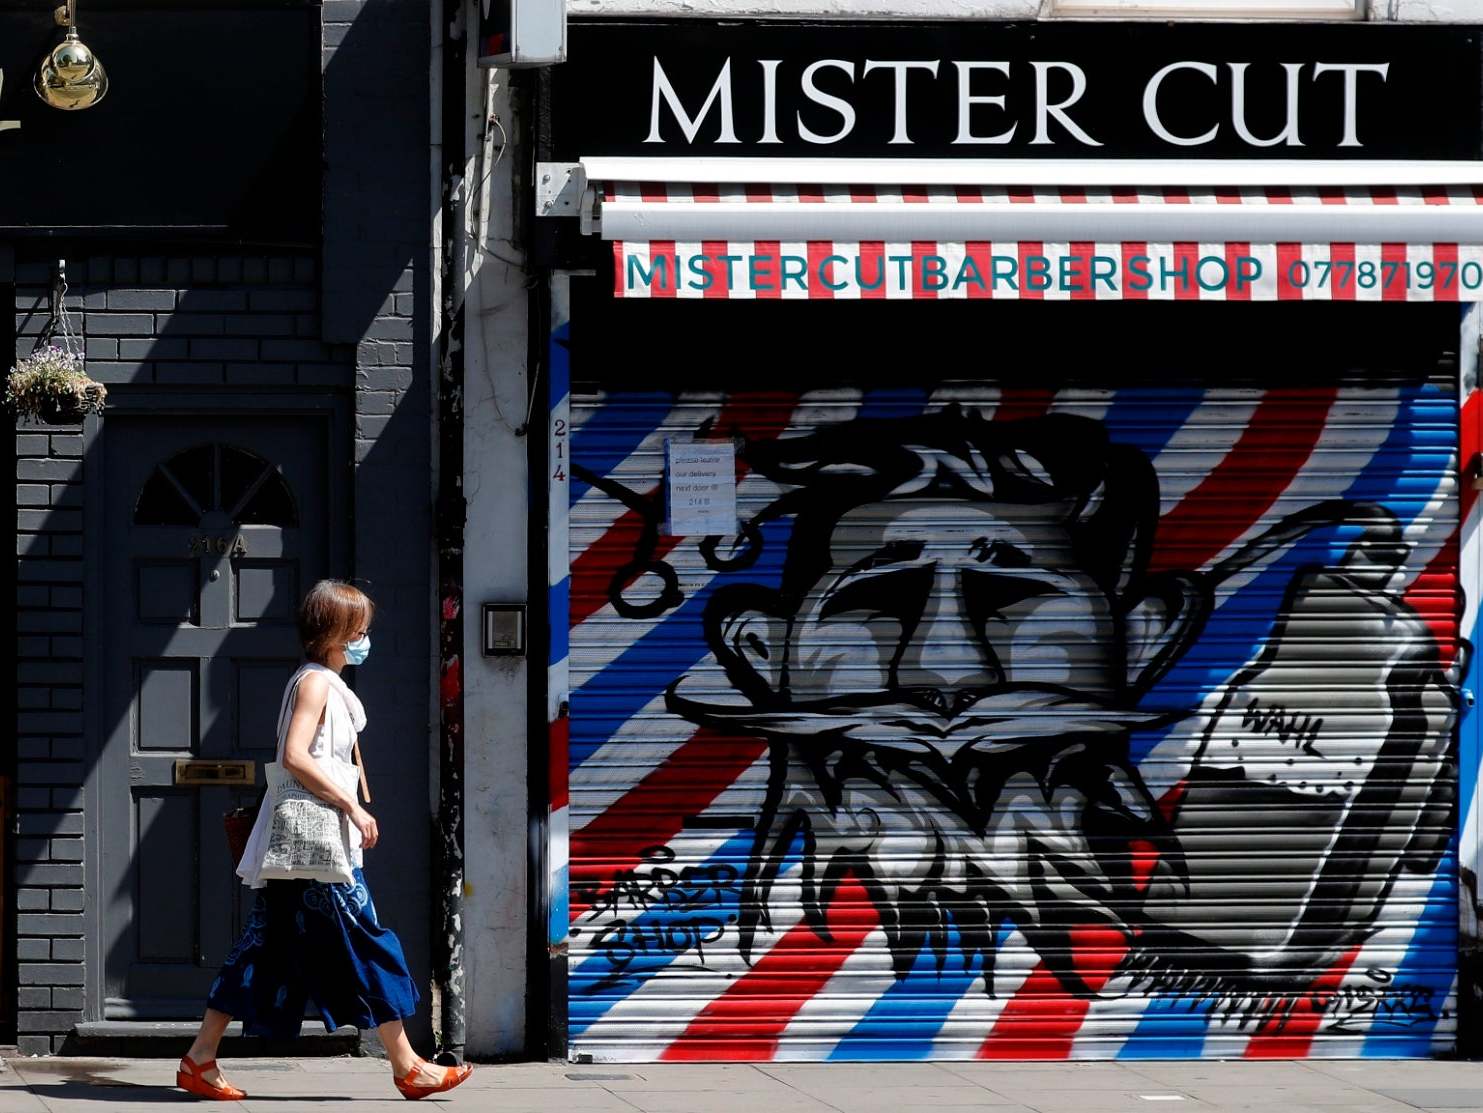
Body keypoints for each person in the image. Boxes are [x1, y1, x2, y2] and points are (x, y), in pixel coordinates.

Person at [176, 580, 473, 1102]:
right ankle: (407, 1066)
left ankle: (200, 1058)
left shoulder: (321, 682)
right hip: (318, 852)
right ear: (335, 633)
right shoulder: (315, 683)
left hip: (307, 854)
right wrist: (352, 806)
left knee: (265, 948)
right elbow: (295, 755)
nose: (365, 636)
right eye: (359, 628)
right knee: (368, 941)